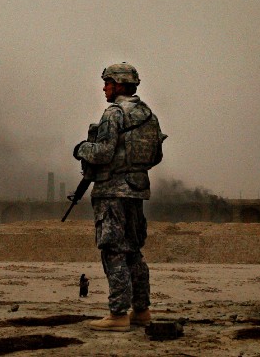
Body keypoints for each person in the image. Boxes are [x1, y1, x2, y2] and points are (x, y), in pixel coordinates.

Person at [73, 62, 165, 332]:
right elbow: (156, 156)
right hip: (136, 191)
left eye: (108, 83)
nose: (104, 88)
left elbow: (103, 153)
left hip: (111, 192)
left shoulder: (113, 114)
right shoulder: (148, 115)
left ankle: (118, 314)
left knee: (113, 251)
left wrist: (80, 149)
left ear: (120, 84)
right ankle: (141, 310)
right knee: (134, 252)